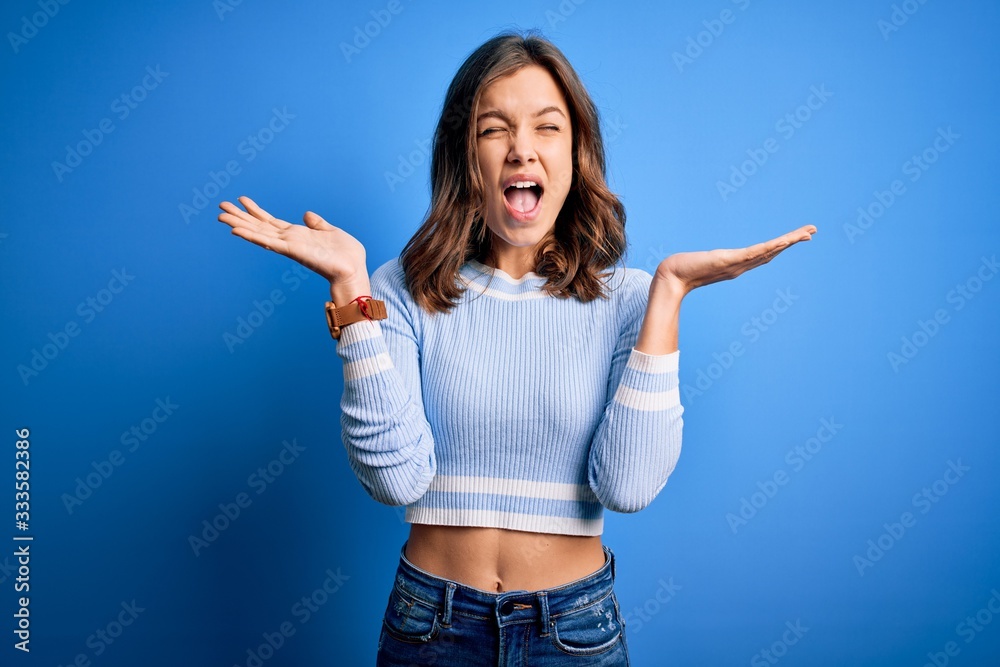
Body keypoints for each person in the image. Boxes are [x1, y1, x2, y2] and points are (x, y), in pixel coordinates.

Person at [218, 30, 816, 666]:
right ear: (465, 156)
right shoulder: (398, 288)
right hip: (430, 627)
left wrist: (668, 293)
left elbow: (628, 486)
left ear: (576, 153)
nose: (521, 149)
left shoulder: (628, 300)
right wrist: (350, 290)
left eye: (547, 127)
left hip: (574, 630)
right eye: (494, 129)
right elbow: (396, 480)